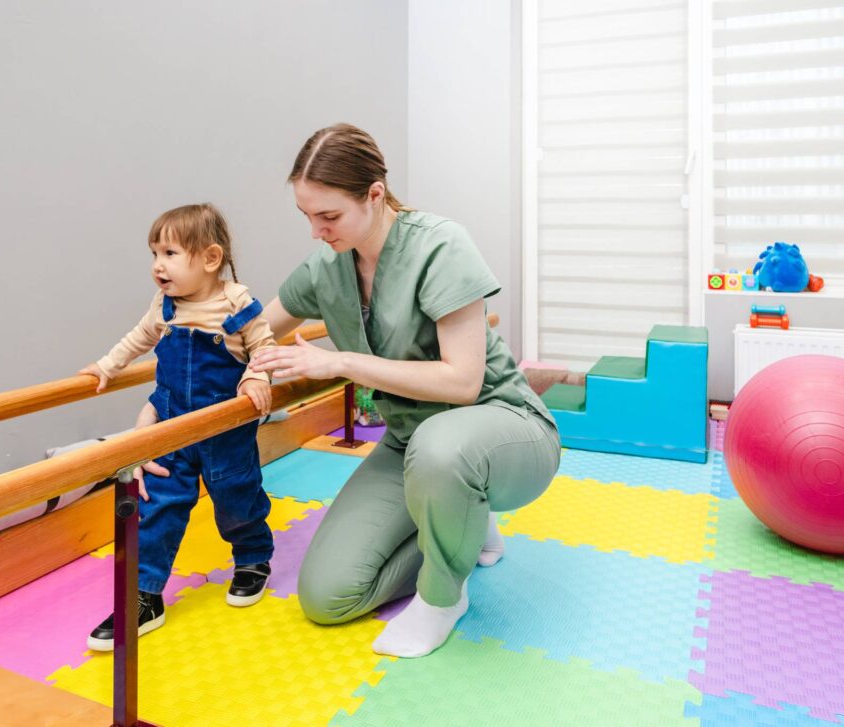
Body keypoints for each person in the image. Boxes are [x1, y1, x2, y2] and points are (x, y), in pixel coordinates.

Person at [250, 124, 561, 658]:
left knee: (443, 448)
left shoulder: (440, 245)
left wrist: (342, 362)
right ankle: (466, 518)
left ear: (375, 194)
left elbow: (462, 383)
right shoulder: (327, 264)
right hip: (408, 444)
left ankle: (443, 599)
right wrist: (249, 364)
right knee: (327, 596)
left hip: (502, 428)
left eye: (329, 216)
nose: (316, 231)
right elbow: (257, 328)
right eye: (307, 216)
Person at [79, 203, 277, 651]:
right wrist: (108, 366)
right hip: (173, 427)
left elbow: (264, 346)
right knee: (159, 506)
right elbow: (139, 338)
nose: (157, 266)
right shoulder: (164, 306)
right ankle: (144, 596)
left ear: (209, 258)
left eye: (169, 253)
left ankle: (252, 559)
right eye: (154, 254)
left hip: (224, 428)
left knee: (237, 499)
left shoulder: (235, 301)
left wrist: (255, 375)